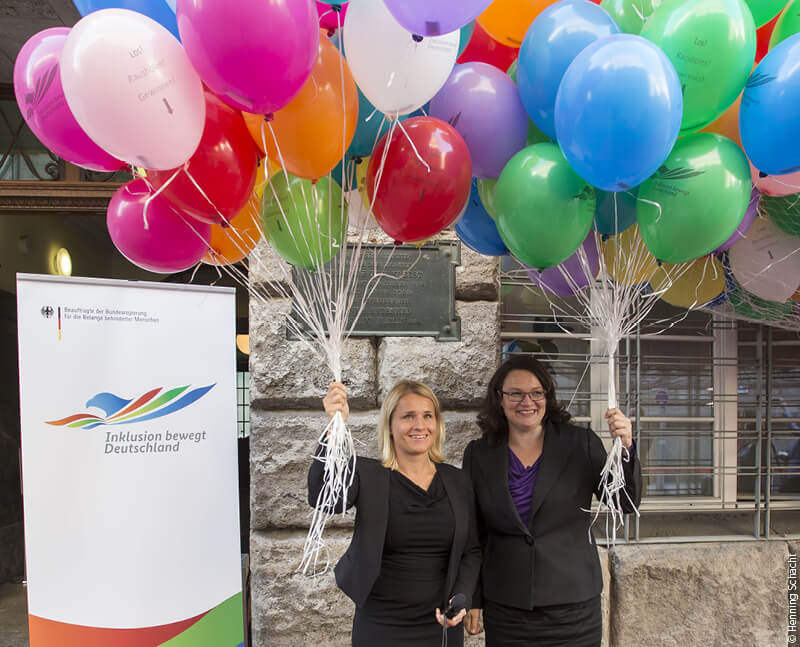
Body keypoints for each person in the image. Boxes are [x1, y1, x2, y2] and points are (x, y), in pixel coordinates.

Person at [462, 355, 641, 646]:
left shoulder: (580, 443)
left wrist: (626, 447)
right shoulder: (478, 454)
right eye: (515, 393)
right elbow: (473, 533)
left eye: (536, 393)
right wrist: (472, 597)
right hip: (506, 609)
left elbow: (624, 502)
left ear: (547, 396)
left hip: (573, 610)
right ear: (499, 398)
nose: (527, 402)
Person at [308, 380, 481, 647]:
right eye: (408, 416)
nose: (419, 425)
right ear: (390, 424)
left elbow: (471, 550)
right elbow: (323, 496)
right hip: (381, 625)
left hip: (439, 625)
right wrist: (335, 425)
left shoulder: (458, 481)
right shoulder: (368, 475)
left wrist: (462, 596)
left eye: (427, 416)